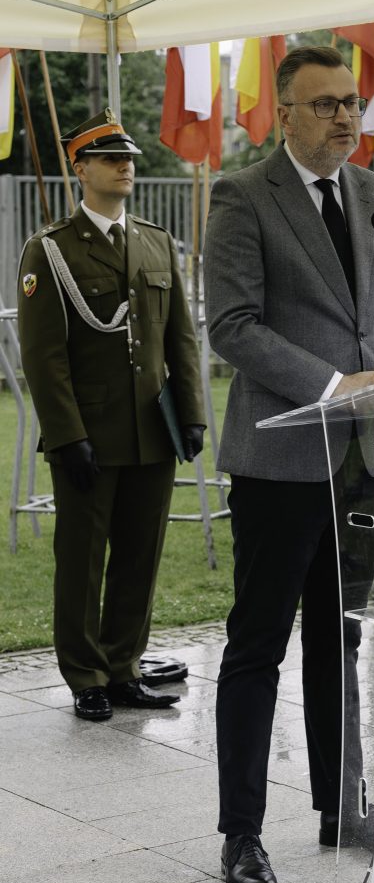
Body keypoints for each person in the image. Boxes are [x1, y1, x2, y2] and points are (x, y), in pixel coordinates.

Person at [204, 46, 374, 883]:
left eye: (352, 103)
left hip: (365, 464)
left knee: (340, 635)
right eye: (327, 104)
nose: (346, 117)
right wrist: (337, 387)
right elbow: (232, 324)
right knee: (257, 645)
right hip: (280, 459)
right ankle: (241, 834)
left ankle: (342, 804)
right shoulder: (241, 195)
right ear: (284, 116)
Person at [17, 109, 206, 721]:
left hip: (152, 429)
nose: (125, 167)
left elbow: (181, 338)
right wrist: (67, 436)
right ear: (81, 168)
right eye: (110, 158)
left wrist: (194, 414)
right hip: (89, 435)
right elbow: (44, 358)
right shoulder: (49, 250)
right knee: (82, 560)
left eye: (128, 158)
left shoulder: (154, 242)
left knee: (138, 555)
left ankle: (124, 667)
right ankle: (85, 676)